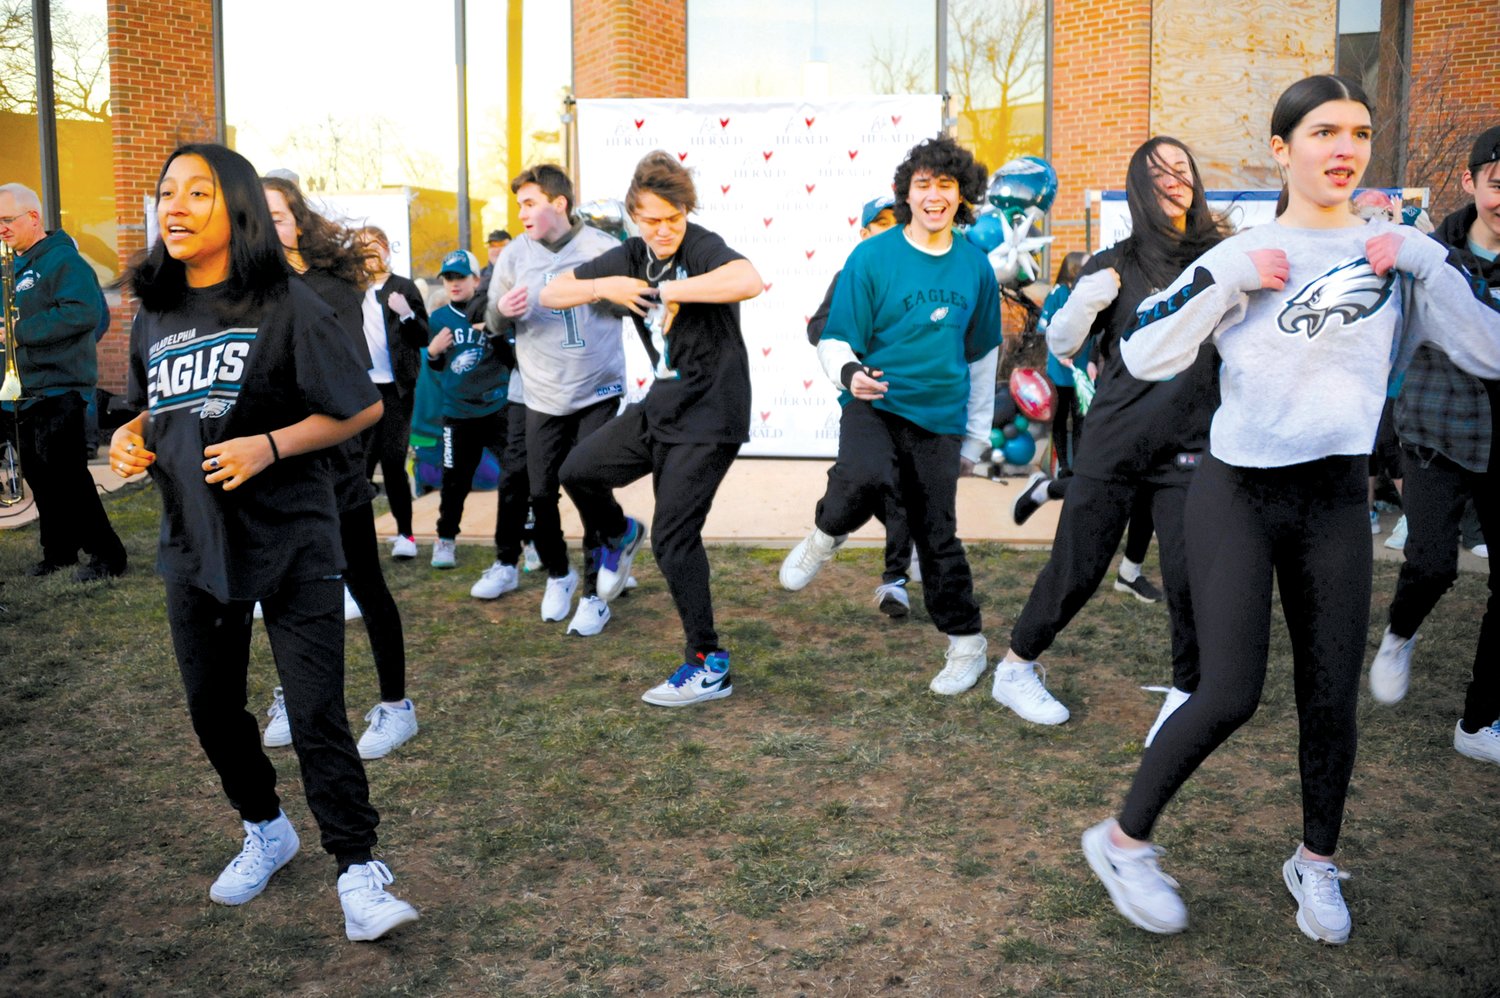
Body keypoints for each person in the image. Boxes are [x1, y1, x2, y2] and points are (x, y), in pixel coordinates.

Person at [1081, 76, 1500, 946]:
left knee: (1329, 700)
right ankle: (1121, 842)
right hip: (1239, 493)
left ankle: (1315, 862)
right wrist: (1225, 277)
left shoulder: (1398, 253)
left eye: (1356, 131)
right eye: (1321, 132)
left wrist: (1427, 260)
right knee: (1228, 690)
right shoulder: (1245, 251)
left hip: (1337, 498)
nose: (1342, 148)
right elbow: (1143, 351)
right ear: (1282, 149)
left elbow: (1489, 351)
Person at [108, 143, 417, 941]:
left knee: (316, 714)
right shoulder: (156, 311)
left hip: (292, 537)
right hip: (195, 540)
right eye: (165, 192)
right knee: (213, 711)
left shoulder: (288, 303)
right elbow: (151, 408)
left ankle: (357, 871)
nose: (173, 207)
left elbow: (359, 408)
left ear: (236, 209)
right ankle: (266, 827)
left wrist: (268, 446)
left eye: (197, 194)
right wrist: (130, 438)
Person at [993, 137, 1227, 732]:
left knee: (1188, 572)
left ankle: (1186, 691)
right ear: (1138, 189)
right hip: (1117, 437)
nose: (1175, 181)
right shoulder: (1114, 262)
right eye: (1159, 174)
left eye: (1183, 169)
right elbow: (1065, 343)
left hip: (1191, 444)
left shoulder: (1223, 257)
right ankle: (1016, 667)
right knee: (1078, 565)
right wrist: (1080, 306)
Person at [778, 135, 1001, 695]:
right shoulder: (871, 257)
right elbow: (835, 337)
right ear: (906, 193)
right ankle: (827, 533)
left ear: (961, 195)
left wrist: (973, 441)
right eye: (922, 184)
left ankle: (967, 645)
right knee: (864, 476)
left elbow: (981, 359)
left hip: (941, 419)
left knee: (937, 535)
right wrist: (849, 373)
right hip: (873, 400)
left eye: (945, 185)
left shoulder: (976, 267)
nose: (933, 195)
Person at [541, 150, 763, 705]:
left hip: (712, 413)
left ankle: (708, 663)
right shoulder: (632, 254)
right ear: (634, 216)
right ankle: (618, 532)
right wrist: (604, 288)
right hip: (660, 406)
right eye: (652, 220)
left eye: (673, 218)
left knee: (675, 537)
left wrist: (670, 291)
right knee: (577, 470)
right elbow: (551, 292)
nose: (663, 231)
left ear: (687, 213)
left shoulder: (700, 246)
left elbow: (749, 279)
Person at [259, 177, 419, 761]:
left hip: (334, 459)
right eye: (256, 216)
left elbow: (338, 379)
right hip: (275, 463)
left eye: (277, 215)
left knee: (362, 580)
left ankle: (397, 705)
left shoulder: (331, 287)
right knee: (285, 589)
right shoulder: (247, 287)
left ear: (298, 221)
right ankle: (295, 697)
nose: (266, 226)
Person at [1368, 123, 1500, 767]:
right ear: (1474, 182)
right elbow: (1387, 341)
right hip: (1434, 432)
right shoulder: (1426, 254)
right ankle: (1399, 634)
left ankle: (1480, 720)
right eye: (1498, 182)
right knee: (1432, 563)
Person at [484, 164, 627, 634]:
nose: (521, 213)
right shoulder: (514, 256)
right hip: (541, 392)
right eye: (519, 204)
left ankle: (593, 593)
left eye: (529, 203)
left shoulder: (604, 249)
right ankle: (560, 575)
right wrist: (501, 313)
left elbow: (630, 305)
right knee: (541, 492)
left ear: (559, 203)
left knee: (587, 484)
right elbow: (492, 320)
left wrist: (600, 293)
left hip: (597, 387)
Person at [0, 182, 127, 581]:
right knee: (40, 477)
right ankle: (59, 552)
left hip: (60, 389)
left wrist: (19, 331)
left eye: (7, 220)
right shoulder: (14, 265)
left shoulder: (63, 262)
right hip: (23, 392)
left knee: (69, 478)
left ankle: (107, 555)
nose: (1, 228)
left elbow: (84, 313)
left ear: (33, 218)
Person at [803, 192, 916, 619]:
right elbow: (818, 328)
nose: (889, 232)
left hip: (915, 401)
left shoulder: (921, 275)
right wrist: (852, 358)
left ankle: (895, 580)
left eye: (897, 223)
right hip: (864, 399)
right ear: (864, 232)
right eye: (881, 224)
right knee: (867, 479)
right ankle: (828, 529)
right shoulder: (849, 274)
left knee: (902, 486)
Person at [427, 249, 529, 580]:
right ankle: (445, 539)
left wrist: (492, 331)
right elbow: (436, 367)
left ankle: (531, 542)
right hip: (457, 413)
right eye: (448, 278)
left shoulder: (494, 311)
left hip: (499, 406)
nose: (454, 284)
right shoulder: (439, 319)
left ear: (476, 279)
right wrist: (432, 352)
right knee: (454, 481)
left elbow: (512, 357)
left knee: (517, 476)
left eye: (460, 277)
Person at [356, 226, 430, 561]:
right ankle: (358, 539)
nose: (369, 254)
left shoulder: (403, 287)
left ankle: (406, 534)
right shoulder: (352, 290)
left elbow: (423, 337)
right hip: (361, 389)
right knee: (359, 467)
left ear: (386, 249)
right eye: (362, 249)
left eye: (373, 247)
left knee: (393, 462)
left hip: (397, 389)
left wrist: (407, 314)